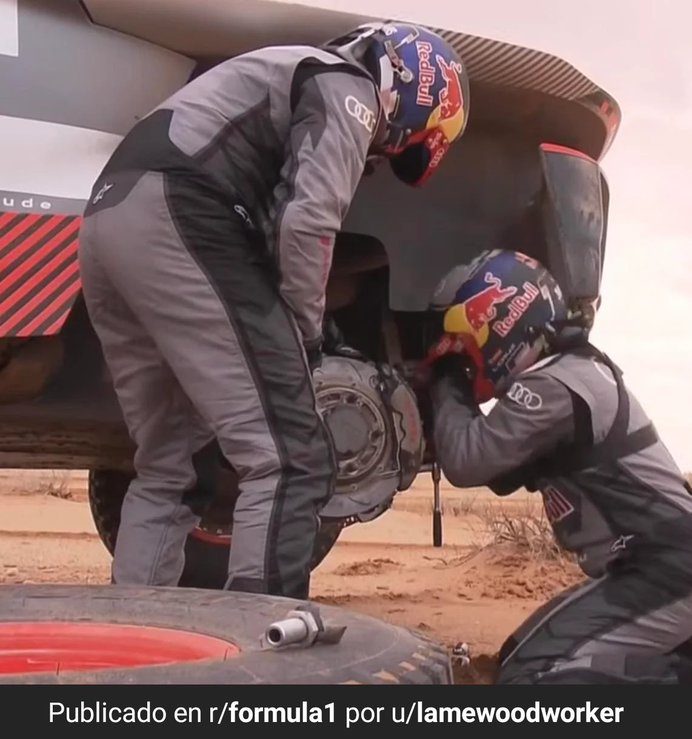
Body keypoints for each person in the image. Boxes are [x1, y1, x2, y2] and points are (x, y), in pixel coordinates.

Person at [77, 21, 471, 599]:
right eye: (400, 143)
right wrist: (301, 342)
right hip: (181, 216)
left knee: (170, 465)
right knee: (289, 455)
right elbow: (307, 222)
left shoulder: (284, 70)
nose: (384, 156)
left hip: (108, 223)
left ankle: (132, 643)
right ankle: (263, 652)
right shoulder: (349, 88)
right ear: (413, 99)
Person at [419, 249, 692, 685]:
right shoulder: (568, 374)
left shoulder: (555, 384)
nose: (471, 357)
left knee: (534, 678)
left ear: (502, 324)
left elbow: (469, 461)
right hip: (659, 567)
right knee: (515, 661)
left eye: (471, 343)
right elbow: (498, 472)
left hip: (668, 569)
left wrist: (447, 375)